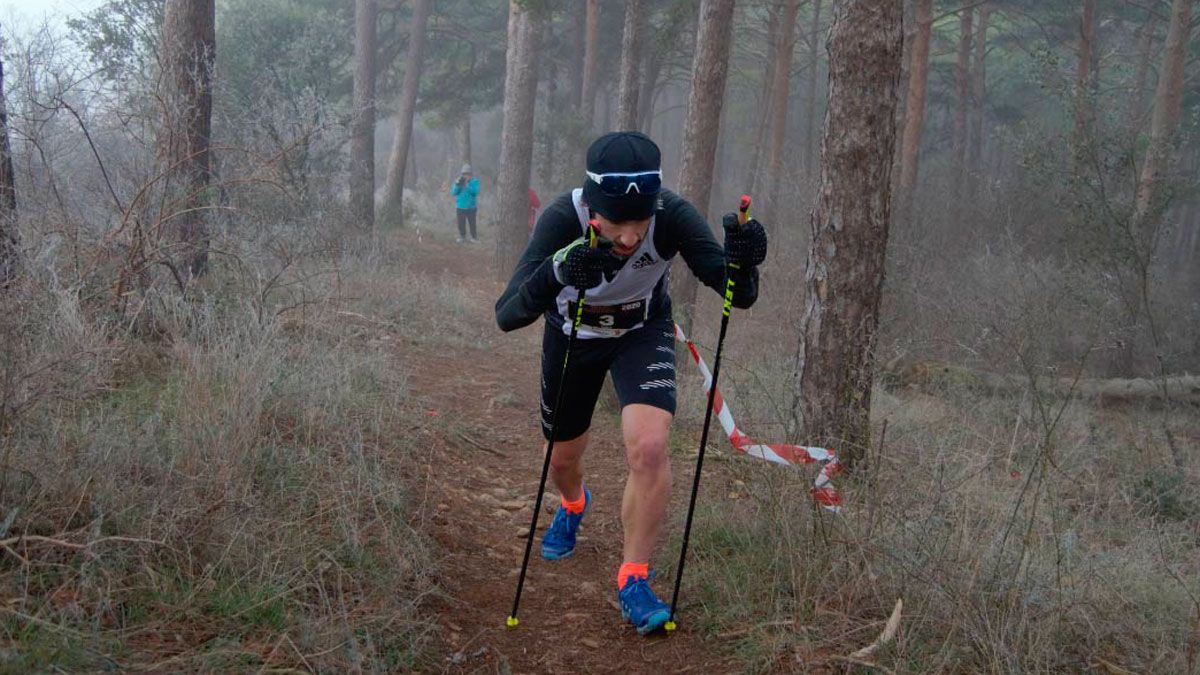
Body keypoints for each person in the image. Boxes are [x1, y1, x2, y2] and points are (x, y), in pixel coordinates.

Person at [495, 131, 768, 636]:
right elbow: (507, 314)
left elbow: (735, 293)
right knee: (561, 459)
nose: (628, 238)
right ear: (593, 210)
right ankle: (575, 504)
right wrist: (558, 270)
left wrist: (745, 263)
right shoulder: (563, 218)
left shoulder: (673, 216)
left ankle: (633, 578)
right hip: (572, 335)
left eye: (639, 223)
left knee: (649, 446)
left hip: (641, 333)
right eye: (616, 224)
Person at [451, 163, 480, 243]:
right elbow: (453, 192)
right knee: (461, 224)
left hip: (471, 207)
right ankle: (462, 237)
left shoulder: (474, 181)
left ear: (471, 174)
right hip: (460, 207)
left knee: (472, 223)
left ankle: (474, 237)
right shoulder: (458, 181)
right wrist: (458, 185)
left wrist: (467, 186)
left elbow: (475, 192)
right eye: (464, 174)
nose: (466, 176)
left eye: (467, 174)